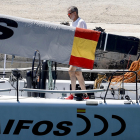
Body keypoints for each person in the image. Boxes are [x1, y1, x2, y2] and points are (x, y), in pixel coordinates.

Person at [66, 6, 88, 100]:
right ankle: (86, 95)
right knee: (78, 73)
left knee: (71, 70)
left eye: (69, 14)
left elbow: (84, 37)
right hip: (74, 50)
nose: (68, 16)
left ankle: (72, 94)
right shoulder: (73, 23)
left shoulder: (81, 22)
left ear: (75, 13)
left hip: (78, 51)